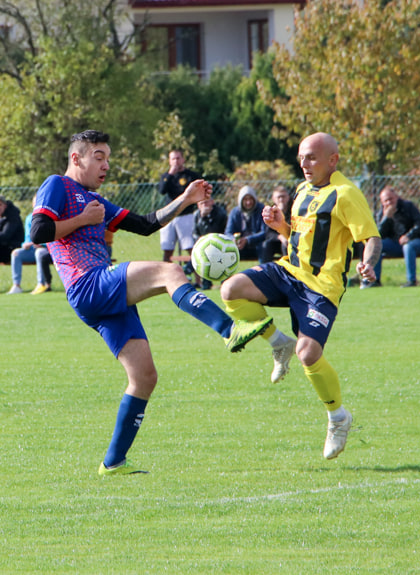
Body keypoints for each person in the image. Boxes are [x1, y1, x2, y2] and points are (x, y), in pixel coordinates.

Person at [30, 130, 271, 476]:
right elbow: (38, 231)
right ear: (76, 158)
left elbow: (144, 225)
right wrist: (83, 220)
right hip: (88, 283)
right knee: (169, 271)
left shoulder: (93, 200)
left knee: (144, 377)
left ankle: (113, 462)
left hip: (98, 292)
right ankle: (229, 329)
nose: (106, 165)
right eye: (99, 157)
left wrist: (186, 199)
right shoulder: (58, 185)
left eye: (108, 158)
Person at [219, 132, 381, 460]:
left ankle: (338, 417)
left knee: (308, 354)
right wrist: (280, 225)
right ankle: (279, 343)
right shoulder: (302, 189)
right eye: (301, 157)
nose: (304, 164)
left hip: (320, 288)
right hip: (288, 271)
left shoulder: (346, 194)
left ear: (333, 160)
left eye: (311, 157)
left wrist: (367, 264)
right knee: (231, 290)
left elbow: (371, 237)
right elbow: (298, 235)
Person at [367, 186, 420, 288]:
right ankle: (375, 281)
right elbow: (378, 235)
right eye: (385, 201)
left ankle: (411, 281)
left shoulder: (408, 206)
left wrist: (408, 236)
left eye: (391, 199)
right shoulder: (381, 212)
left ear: (396, 197)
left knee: (408, 247)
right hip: (395, 244)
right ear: (382, 202)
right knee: (377, 245)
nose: (389, 203)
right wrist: (386, 218)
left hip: (415, 241)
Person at [158, 149, 201, 263]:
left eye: (178, 158)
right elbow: (162, 190)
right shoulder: (166, 177)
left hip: (185, 216)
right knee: (167, 250)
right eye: (173, 159)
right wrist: (170, 174)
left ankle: (197, 279)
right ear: (169, 161)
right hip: (169, 217)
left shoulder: (191, 176)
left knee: (190, 248)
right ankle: (166, 278)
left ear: (183, 160)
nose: (176, 161)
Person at [9, 194, 54, 295]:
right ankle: (16, 285)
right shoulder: (29, 218)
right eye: (35, 202)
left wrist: (42, 244)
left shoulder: (49, 217)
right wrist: (25, 244)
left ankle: (41, 284)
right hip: (30, 250)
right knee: (16, 253)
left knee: (39, 253)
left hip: (44, 249)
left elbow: (53, 238)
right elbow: (27, 238)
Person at [191, 195, 229, 289]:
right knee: (203, 255)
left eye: (207, 202)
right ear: (198, 205)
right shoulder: (197, 215)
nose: (205, 205)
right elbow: (195, 233)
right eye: (202, 203)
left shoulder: (220, 213)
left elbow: (214, 231)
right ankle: (206, 284)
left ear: (212, 202)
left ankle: (224, 283)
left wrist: (204, 218)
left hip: (220, 245)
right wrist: (202, 218)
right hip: (204, 245)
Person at [225, 185, 267, 261]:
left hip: (257, 244)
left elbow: (265, 232)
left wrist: (247, 240)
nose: (248, 202)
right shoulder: (234, 212)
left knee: (265, 245)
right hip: (239, 246)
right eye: (245, 199)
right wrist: (233, 239)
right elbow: (228, 232)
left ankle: (263, 271)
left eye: (251, 199)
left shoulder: (262, 209)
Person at [259, 185, 292, 263]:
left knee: (286, 245)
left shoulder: (294, 210)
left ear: (288, 197)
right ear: (273, 199)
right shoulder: (270, 211)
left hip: (289, 240)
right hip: (276, 241)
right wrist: (280, 237)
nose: (281, 200)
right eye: (278, 197)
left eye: (283, 197)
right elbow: (267, 233)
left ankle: (288, 271)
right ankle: (265, 271)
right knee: (266, 245)